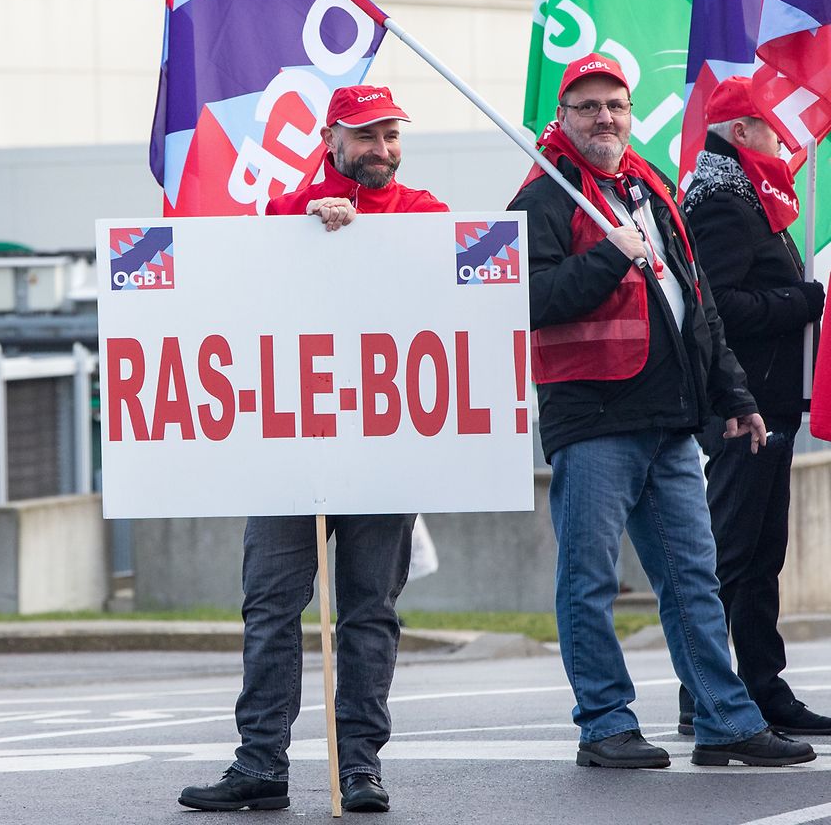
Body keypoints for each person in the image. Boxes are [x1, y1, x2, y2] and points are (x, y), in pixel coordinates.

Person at [506, 52, 815, 769]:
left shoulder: (651, 187)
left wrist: (733, 397)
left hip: (670, 418)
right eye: (587, 107)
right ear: (562, 117)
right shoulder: (544, 198)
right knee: (590, 582)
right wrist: (610, 257)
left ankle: (725, 720)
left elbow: (695, 301)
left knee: (693, 580)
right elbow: (527, 300)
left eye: (615, 104)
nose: (604, 118)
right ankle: (606, 725)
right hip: (593, 420)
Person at [178, 84, 449, 813]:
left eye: (392, 135)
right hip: (290, 451)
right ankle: (260, 766)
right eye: (366, 136)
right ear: (329, 139)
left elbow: (451, 286)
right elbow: (242, 269)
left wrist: (360, 234)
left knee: (370, 613)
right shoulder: (281, 211)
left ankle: (359, 767)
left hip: (383, 447)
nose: (382, 150)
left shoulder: (424, 214)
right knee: (270, 608)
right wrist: (305, 222)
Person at [678, 75, 830, 736]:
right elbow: (717, 307)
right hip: (745, 407)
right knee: (734, 553)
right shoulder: (723, 204)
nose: (783, 141)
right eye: (771, 128)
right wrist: (803, 300)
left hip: (768, 403)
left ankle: (760, 689)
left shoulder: (752, 200)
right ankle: (708, 693)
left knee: (759, 552)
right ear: (739, 133)